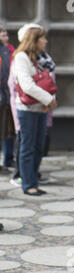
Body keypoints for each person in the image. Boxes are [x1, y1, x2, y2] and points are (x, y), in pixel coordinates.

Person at [12, 24, 56, 196]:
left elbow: (45, 80)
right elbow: (27, 86)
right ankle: (28, 184)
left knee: (38, 146)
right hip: (27, 109)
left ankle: (33, 180)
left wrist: (49, 100)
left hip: (40, 108)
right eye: (42, 38)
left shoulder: (37, 57)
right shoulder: (21, 57)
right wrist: (49, 99)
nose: (45, 41)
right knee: (28, 147)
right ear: (34, 40)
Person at [0, 29, 15, 170]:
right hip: (3, 96)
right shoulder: (3, 52)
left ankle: (8, 158)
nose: (6, 37)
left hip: (7, 97)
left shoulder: (9, 50)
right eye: (3, 35)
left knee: (8, 130)